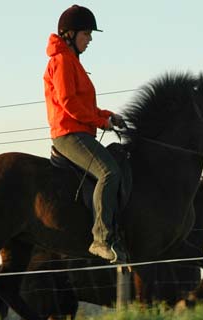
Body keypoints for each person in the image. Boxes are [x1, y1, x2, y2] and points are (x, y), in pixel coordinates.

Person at [44, 5, 128, 263]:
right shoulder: (61, 61)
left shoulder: (72, 61)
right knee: (109, 172)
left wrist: (108, 116)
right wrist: (101, 123)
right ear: (69, 34)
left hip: (81, 131)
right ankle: (100, 239)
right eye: (87, 34)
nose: (90, 39)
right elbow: (68, 103)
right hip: (69, 134)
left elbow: (85, 106)